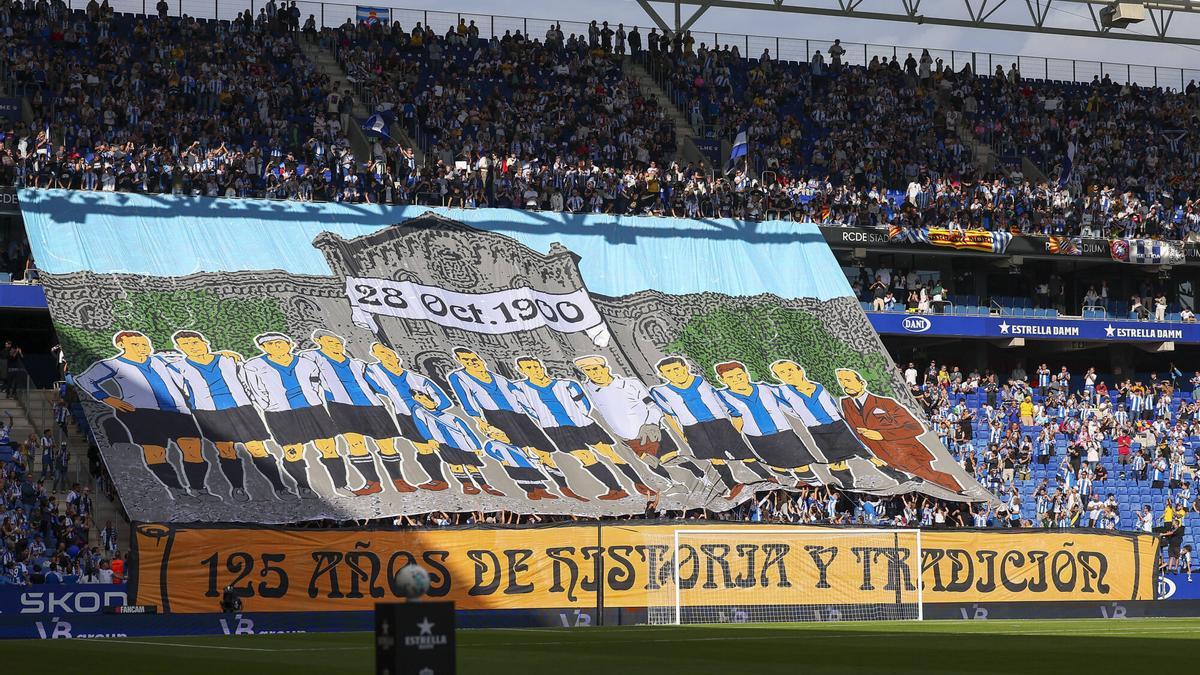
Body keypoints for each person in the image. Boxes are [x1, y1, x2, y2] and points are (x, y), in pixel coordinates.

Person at [76, 331, 213, 501]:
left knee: (193, 450)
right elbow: (85, 379)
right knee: (155, 453)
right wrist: (110, 399)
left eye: (144, 344)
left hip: (177, 411)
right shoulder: (114, 364)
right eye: (135, 344)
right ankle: (177, 490)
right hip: (142, 413)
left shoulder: (161, 361)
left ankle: (200, 488)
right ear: (121, 344)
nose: (142, 348)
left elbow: (192, 361)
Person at [165, 330, 290, 501]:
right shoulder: (177, 367)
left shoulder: (228, 359)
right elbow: (180, 391)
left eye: (194, 343)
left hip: (241, 408)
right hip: (209, 412)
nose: (191, 347)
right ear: (179, 348)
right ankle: (238, 489)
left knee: (257, 448)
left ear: (204, 343)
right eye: (185, 345)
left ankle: (280, 487)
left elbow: (246, 380)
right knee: (226, 450)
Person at [835, 368, 965, 495]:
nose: (844, 384)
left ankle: (959, 489)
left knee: (929, 476)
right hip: (877, 457)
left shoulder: (885, 402)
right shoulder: (846, 404)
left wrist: (881, 435)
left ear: (862, 383)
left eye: (848, 380)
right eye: (841, 381)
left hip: (904, 452)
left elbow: (916, 427)